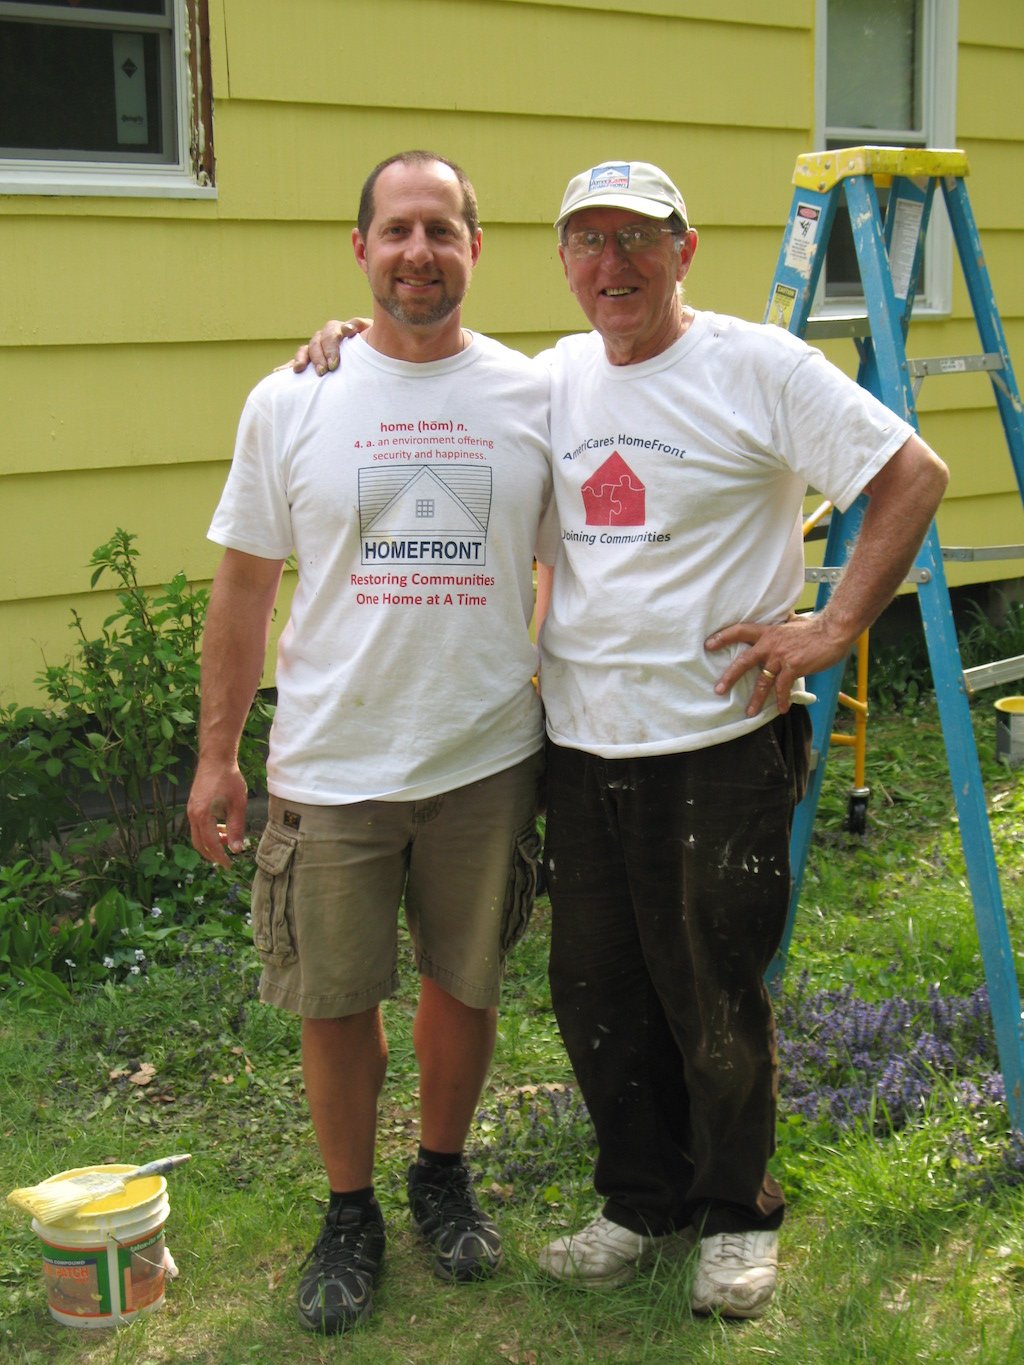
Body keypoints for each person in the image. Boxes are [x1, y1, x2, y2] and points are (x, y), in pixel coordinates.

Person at [297, 158, 949, 1321]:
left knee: (713, 994)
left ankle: (736, 1216)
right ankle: (639, 1204)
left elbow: (911, 472)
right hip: (582, 747)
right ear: (561, 261)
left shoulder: (756, 366)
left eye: (638, 239)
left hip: (717, 744)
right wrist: (351, 340)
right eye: (589, 242)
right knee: (596, 991)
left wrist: (832, 625)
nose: (615, 264)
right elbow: (435, 371)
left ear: (682, 251)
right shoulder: (549, 381)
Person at [187, 150, 554, 1336]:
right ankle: (349, 1211)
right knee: (335, 997)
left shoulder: (535, 395)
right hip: (332, 759)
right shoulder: (292, 399)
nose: (418, 252)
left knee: (464, 979)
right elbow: (244, 590)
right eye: (396, 230)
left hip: (484, 755)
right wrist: (216, 755)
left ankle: (440, 1174)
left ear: (475, 248)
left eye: (441, 229)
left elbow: (569, 559)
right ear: (360, 249)